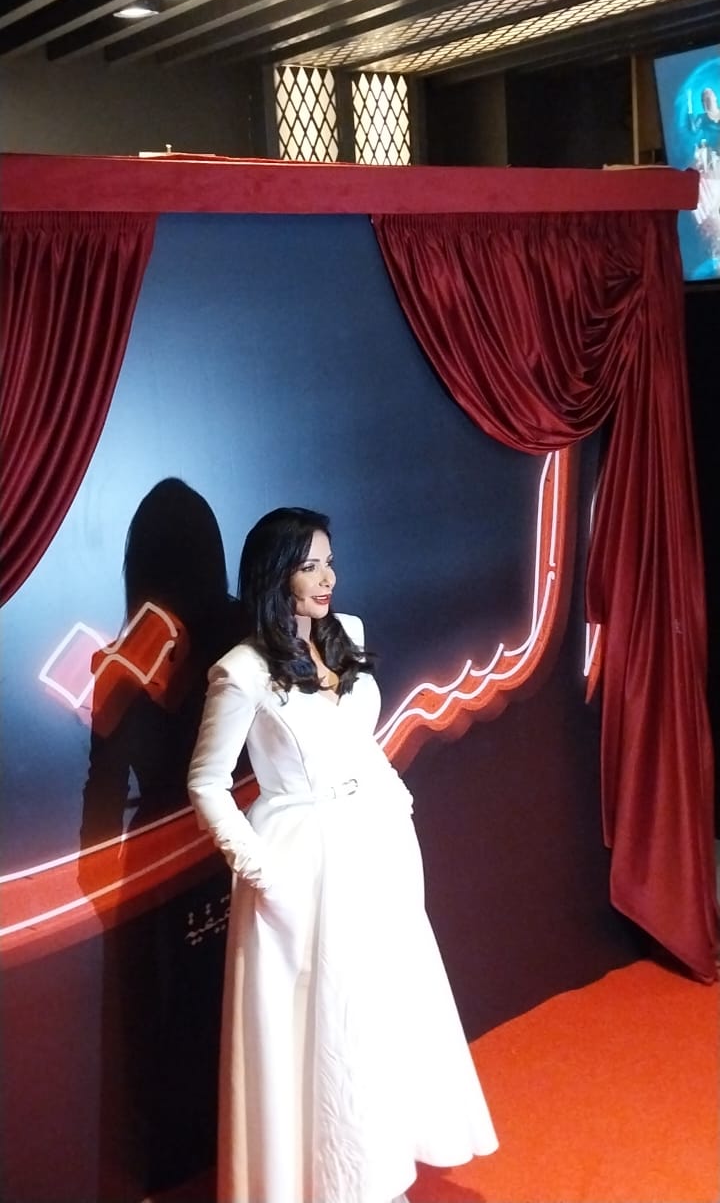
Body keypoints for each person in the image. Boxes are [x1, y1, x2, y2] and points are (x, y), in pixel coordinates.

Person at [188, 507, 498, 1203]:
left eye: (329, 562)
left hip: (377, 844)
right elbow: (206, 783)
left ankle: (377, 1175)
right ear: (276, 575)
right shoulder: (241, 672)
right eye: (309, 566)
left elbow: (361, 740)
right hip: (301, 867)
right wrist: (261, 870)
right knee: (320, 1028)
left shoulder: (348, 634)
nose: (328, 579)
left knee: (380, 1013)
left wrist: (398, 806)